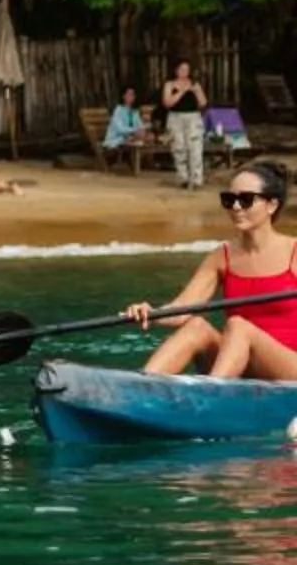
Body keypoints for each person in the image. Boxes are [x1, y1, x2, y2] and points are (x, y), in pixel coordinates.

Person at [126, 162, 297, 382]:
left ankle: (212, 395)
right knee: (197, 327)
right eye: (229, 199)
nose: (235, 207)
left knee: (238, 326)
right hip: (241, 367)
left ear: (271, 205)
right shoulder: (222, 257)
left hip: (290, 370)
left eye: (246, 200)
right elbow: (183, 310)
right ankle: (140, 386)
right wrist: (150, 313)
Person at [160, 58, 209, 189]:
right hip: (176, 117)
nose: (184, 72)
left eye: (187, 70)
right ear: (176, 70)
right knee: (178, 147)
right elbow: (167, 103)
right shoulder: (170, 85)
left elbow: (203, 103)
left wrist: (195, 90)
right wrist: (181, 91)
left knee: (195, 148)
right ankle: (183, 178)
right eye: (182, 69)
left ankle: (197, 179)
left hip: (193, 117)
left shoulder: (194, 84)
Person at [101, 87, 148, 168]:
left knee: (148, 136)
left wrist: (142, 129)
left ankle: (143, 163)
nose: (131, 97)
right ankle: (135, 162)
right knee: (138, 136)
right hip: (116, 140)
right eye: (129, 94)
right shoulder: (118, 110)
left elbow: (140, 125)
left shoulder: (134, 111)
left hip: (130, 138)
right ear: (123, 96)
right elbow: (120, 129)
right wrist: (135, 131)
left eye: (133, 95)